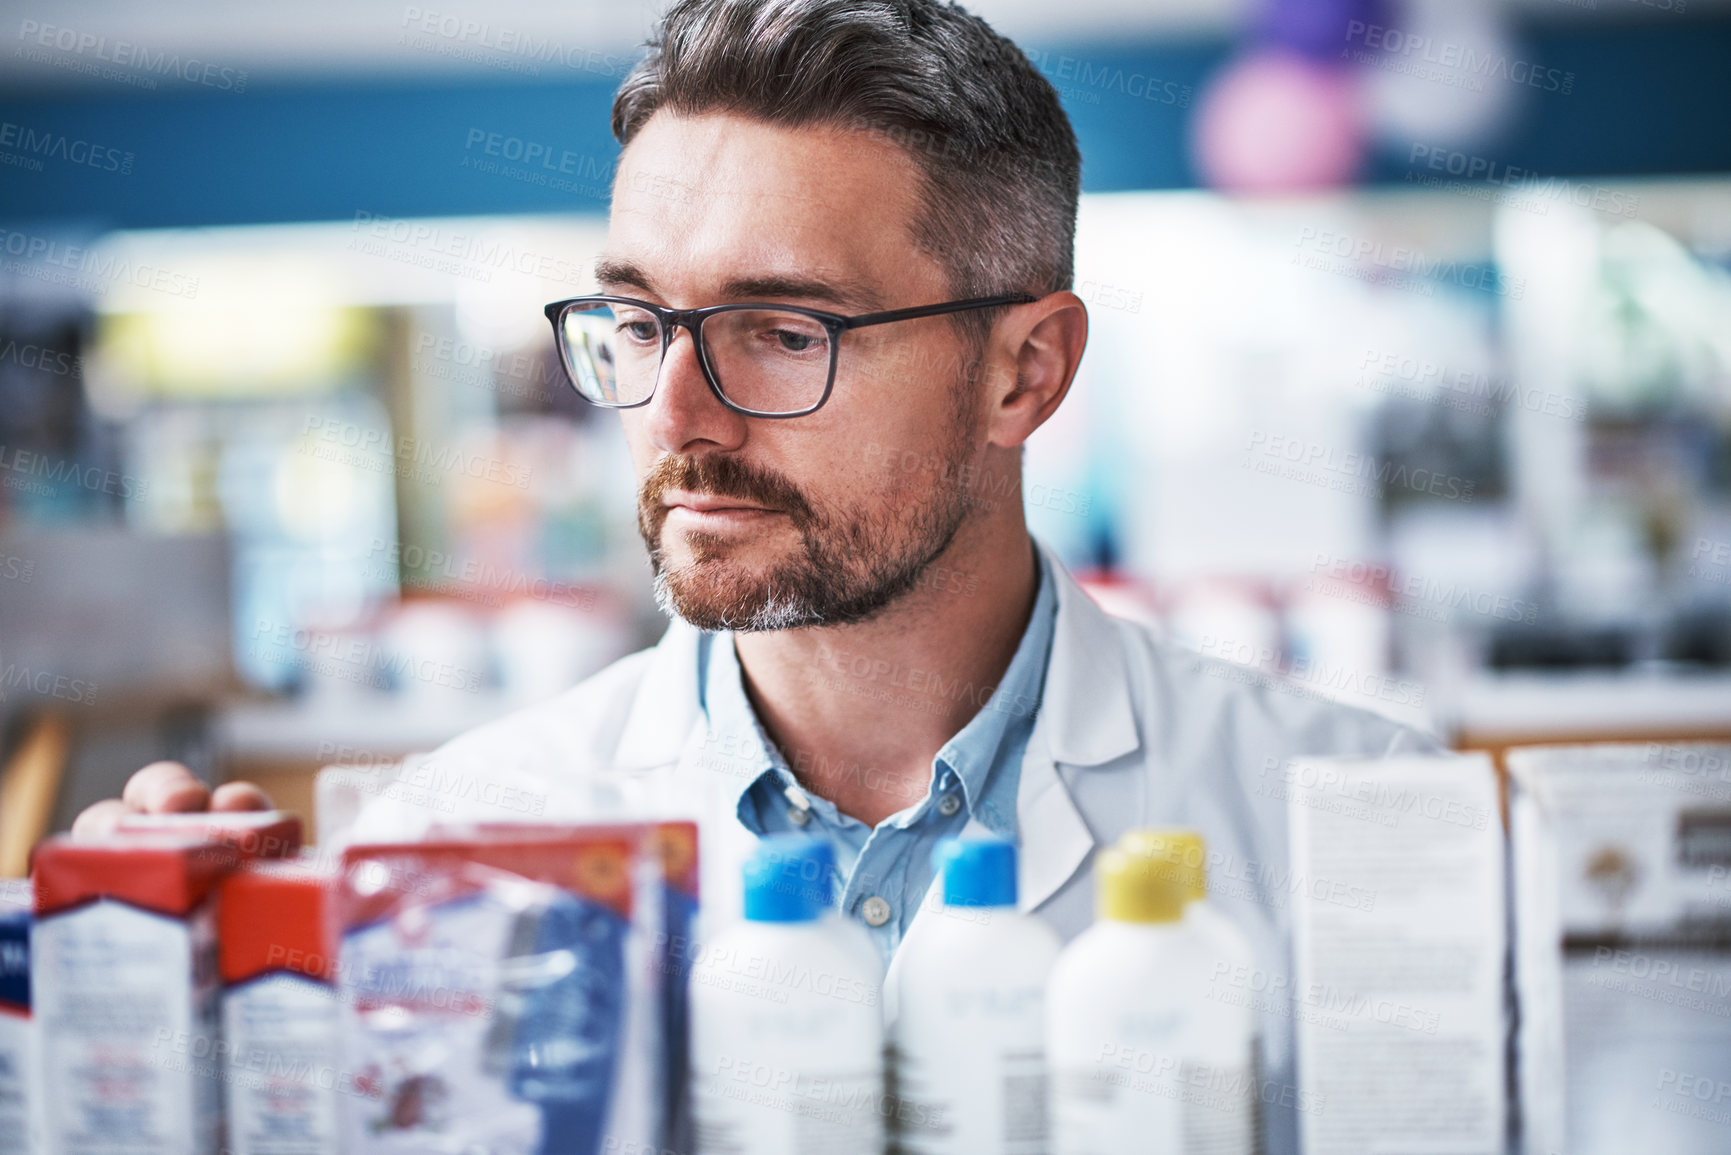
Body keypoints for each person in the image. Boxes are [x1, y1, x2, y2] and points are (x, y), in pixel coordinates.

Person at [76, 1, 1438, 1147]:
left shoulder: (1350, 822)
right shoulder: (444, 848)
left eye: (783, 331)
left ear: (1025, 371)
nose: (674, 416)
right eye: (635, 321)